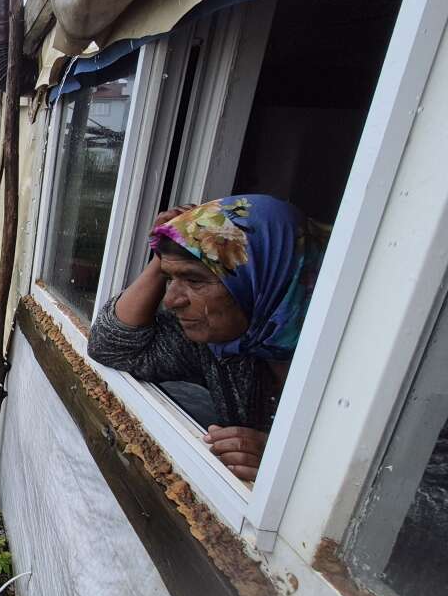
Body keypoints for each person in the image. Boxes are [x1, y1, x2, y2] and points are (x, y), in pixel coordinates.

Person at [87, 195, 327, 480]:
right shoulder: (228, 345)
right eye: (169, 279)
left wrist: (293, 468)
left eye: (195, 280)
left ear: (261, 276)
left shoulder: (341, 370)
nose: (171, 300)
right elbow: (110, 345)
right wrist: (162, 256)